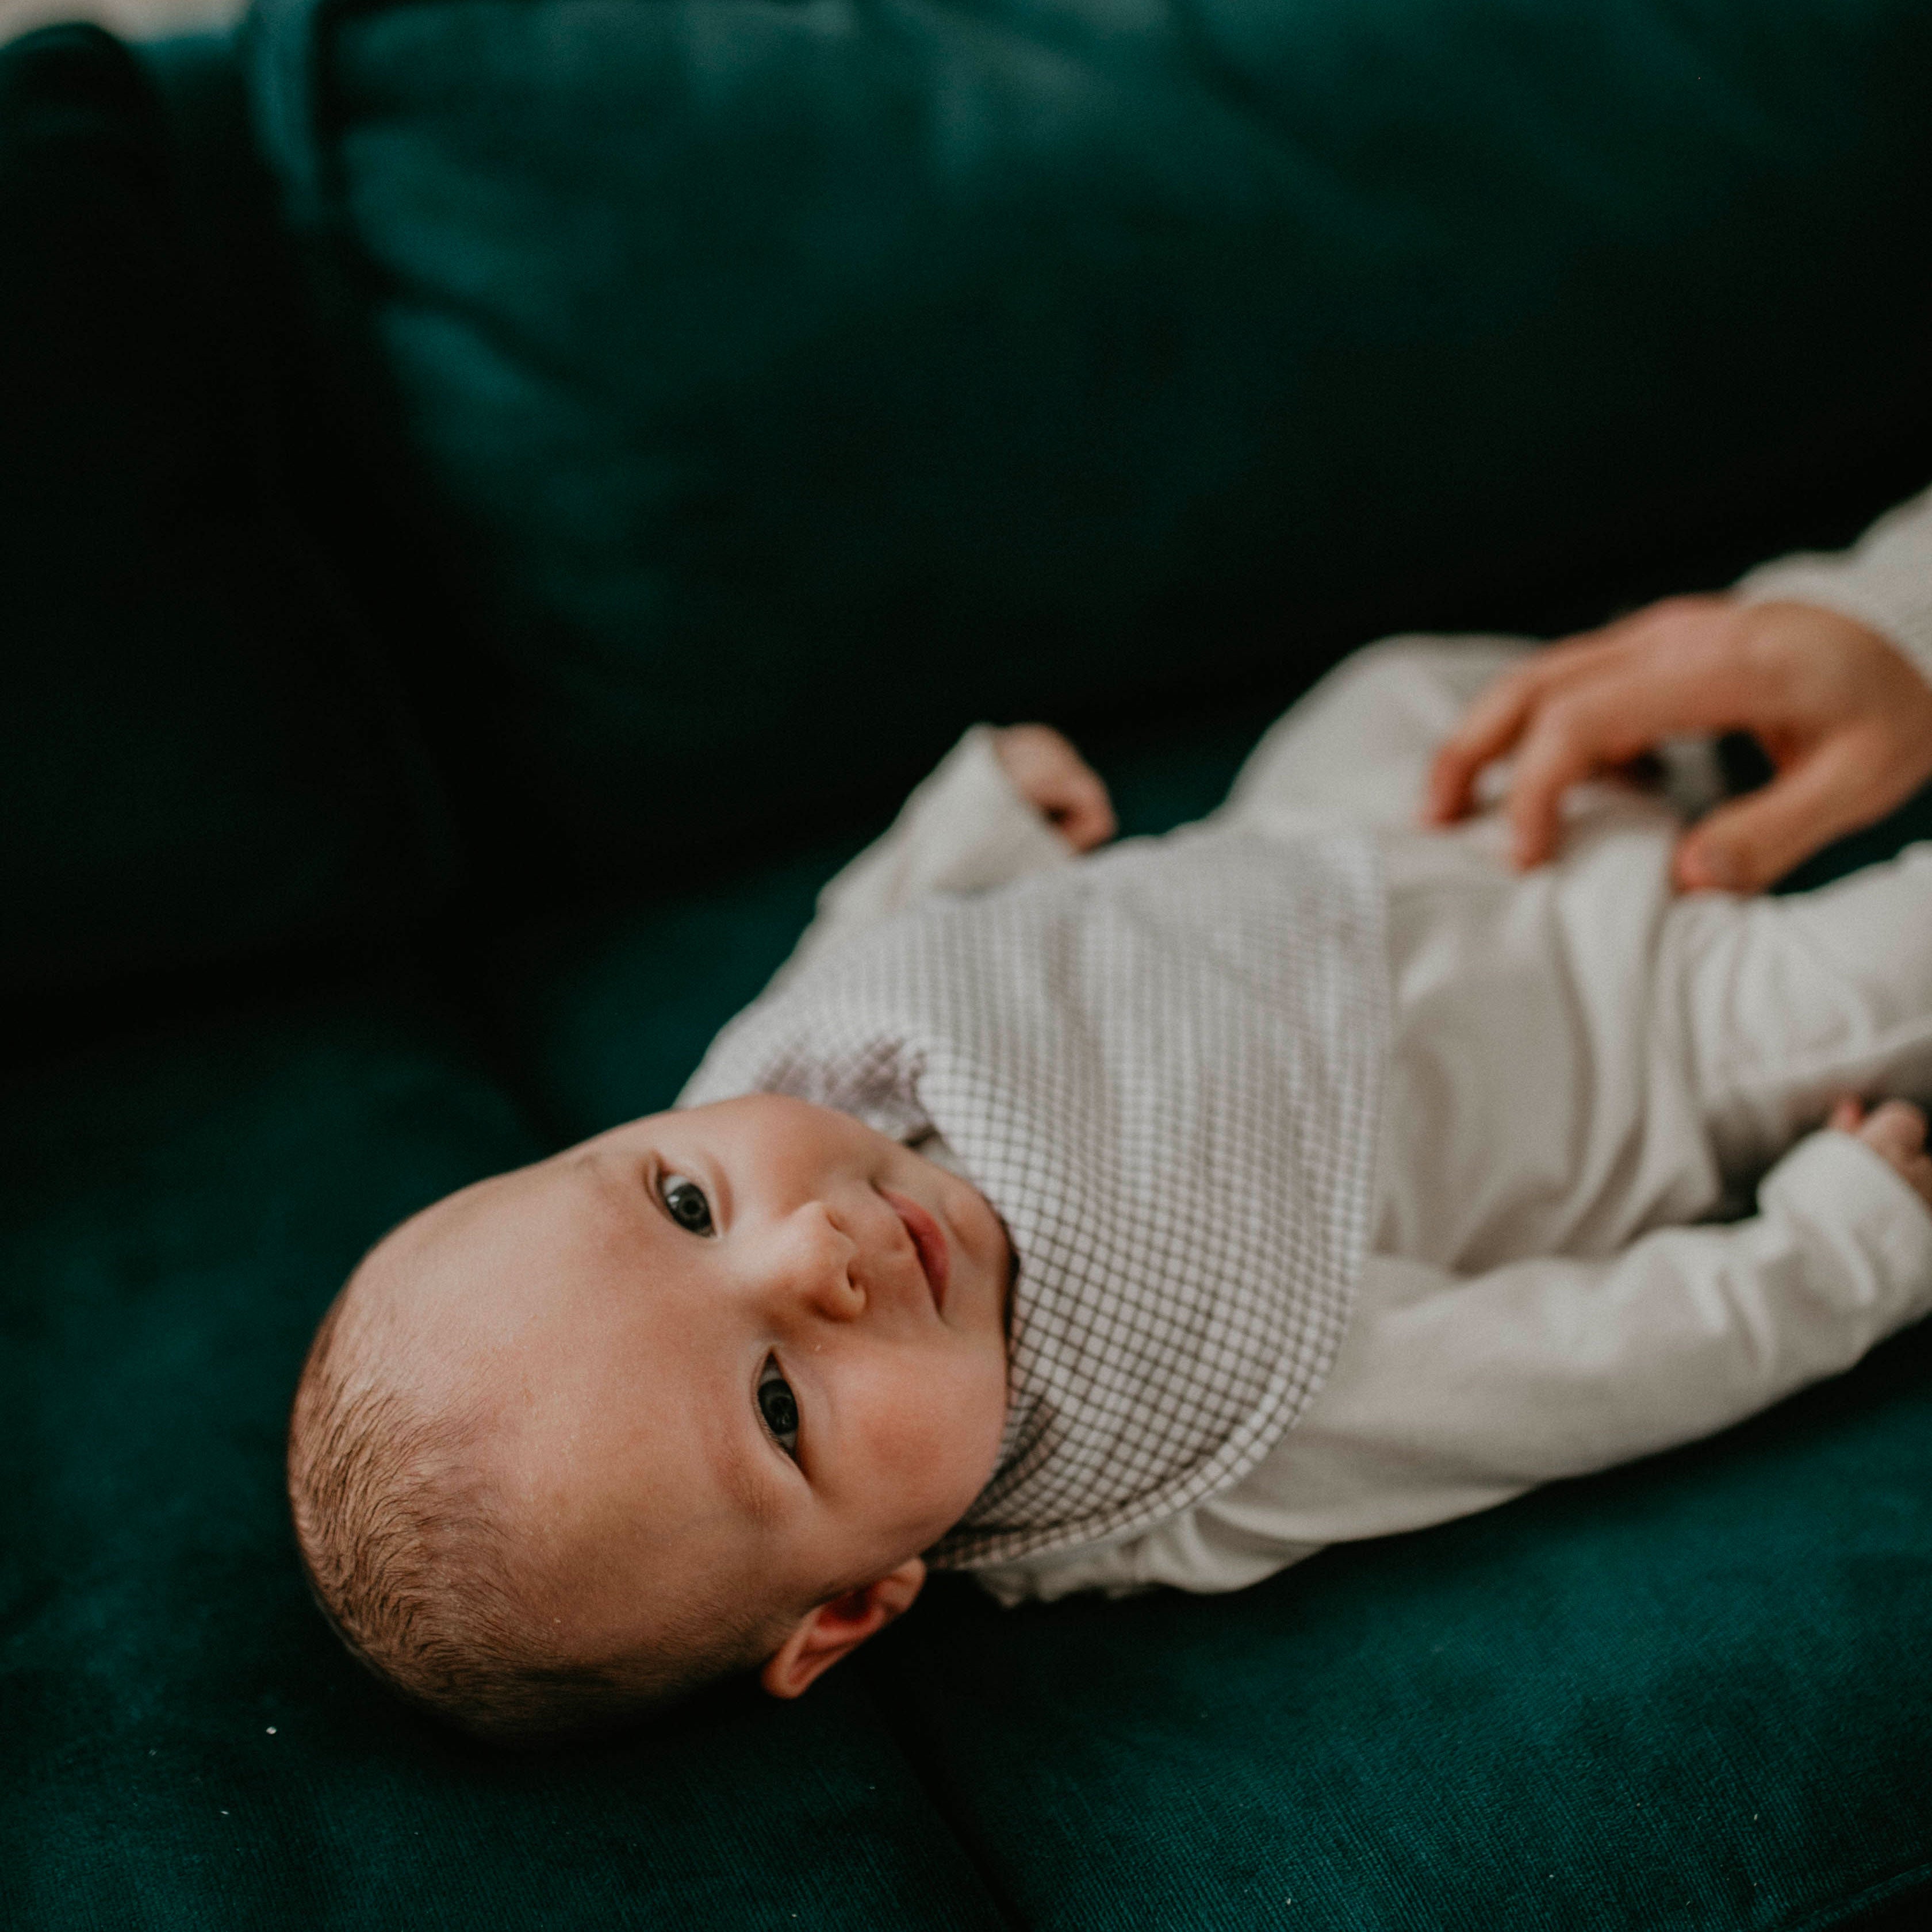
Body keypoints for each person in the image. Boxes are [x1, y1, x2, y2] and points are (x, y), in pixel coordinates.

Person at [286, 490, 1932, 1743]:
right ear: (854, 1607)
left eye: (682, 1206)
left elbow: (879, 953)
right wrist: (1826, 1262)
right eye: (782, 1406)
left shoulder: (768, 1089)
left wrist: (979, 821)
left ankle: (1836, 656)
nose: (818, 1250)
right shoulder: (1187, 1443)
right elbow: (1566, 1376)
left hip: (1376, 838)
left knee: (1449, 688)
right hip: (1638, 1031)